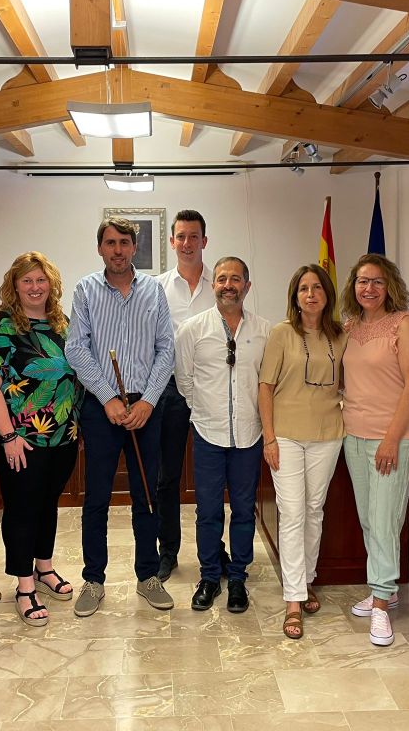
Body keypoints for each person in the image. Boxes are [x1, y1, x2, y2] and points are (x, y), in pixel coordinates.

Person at [66, 216, 176, 616]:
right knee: (96, 496)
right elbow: (76, 349)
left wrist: (148, 401)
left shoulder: (153, 291)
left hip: (146, 407)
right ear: (100, 248)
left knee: (146, 494)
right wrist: (109, 397)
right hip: (102, 408)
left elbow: (167, 349)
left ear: (134, 247)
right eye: (110, 242)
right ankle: (93, 580)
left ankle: (147, 576)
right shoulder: (86, 290)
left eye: (124, 242)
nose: (117, 250)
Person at [0, 252, 84, 626]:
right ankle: (24, 586)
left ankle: (44, 567)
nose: (35, 287)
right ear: (15, 285)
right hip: (19, 438)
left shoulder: (62, 323)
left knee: (47, 503)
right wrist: (8, 436)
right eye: (27, 281)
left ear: (51, 284)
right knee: (22, 508)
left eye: (41, 280)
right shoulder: (3, 326)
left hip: (62, 435)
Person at [175, 256, 270, 613]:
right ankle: (210, 577)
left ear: (247, 285)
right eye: (221, 279)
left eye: (235, 279)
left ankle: (239, 578)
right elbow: (184, 380)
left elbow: (267, 382)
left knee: (244, 510)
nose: (228, 285)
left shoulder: (265, 331)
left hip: (249, 435)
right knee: (208, 511)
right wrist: (203, 409)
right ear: (213, 285)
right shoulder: (192, 329)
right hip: (207, 433)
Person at [258, 263, 346, 639]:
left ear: (327, 294)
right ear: (295, 297)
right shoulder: (282, 333)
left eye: (317, 288)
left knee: (313, 510)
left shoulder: (341, 335)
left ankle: (307, 579)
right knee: (292, 512)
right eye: (304, 289)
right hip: (287, 435)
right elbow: (265, 387)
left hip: (328, 433)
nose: (311, 294)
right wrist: (269, 438)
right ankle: (293, 599)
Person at [340, 253, 409, 648]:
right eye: (362, 281)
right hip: (353, 435)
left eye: (376, 281)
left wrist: (391, 438)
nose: (368, 288)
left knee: (386, 519)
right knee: (369, 520)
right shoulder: (349, 327)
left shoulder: (405, 325)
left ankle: (380, 605)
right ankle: (384, 588)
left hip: (393, 437)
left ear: (389, 286)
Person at [154, 209, 215, 582]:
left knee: (212, 477)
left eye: (194, 236)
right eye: (181, 236)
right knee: (167, 477)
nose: (187, 243)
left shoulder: (220, 284)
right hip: (169, 392)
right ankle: (168, 552)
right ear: (172, 241)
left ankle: (214, 549)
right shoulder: (157, 287)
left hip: (211, 391)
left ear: (204, 241)